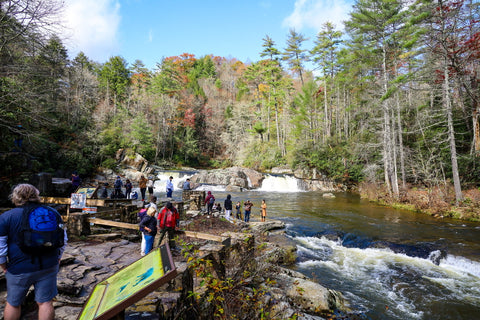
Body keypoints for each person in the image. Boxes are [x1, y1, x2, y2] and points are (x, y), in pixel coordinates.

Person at [0, 184, 67, 320]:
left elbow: (0, 245)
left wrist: (3, 265)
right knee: (45, 302)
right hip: (48, 265)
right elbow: (63, 239)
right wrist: (58, 258)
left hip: (19, 268)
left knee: (13, 303)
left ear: (16, 197)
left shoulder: (7, 216)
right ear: (36, 195)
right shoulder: (52, 213)